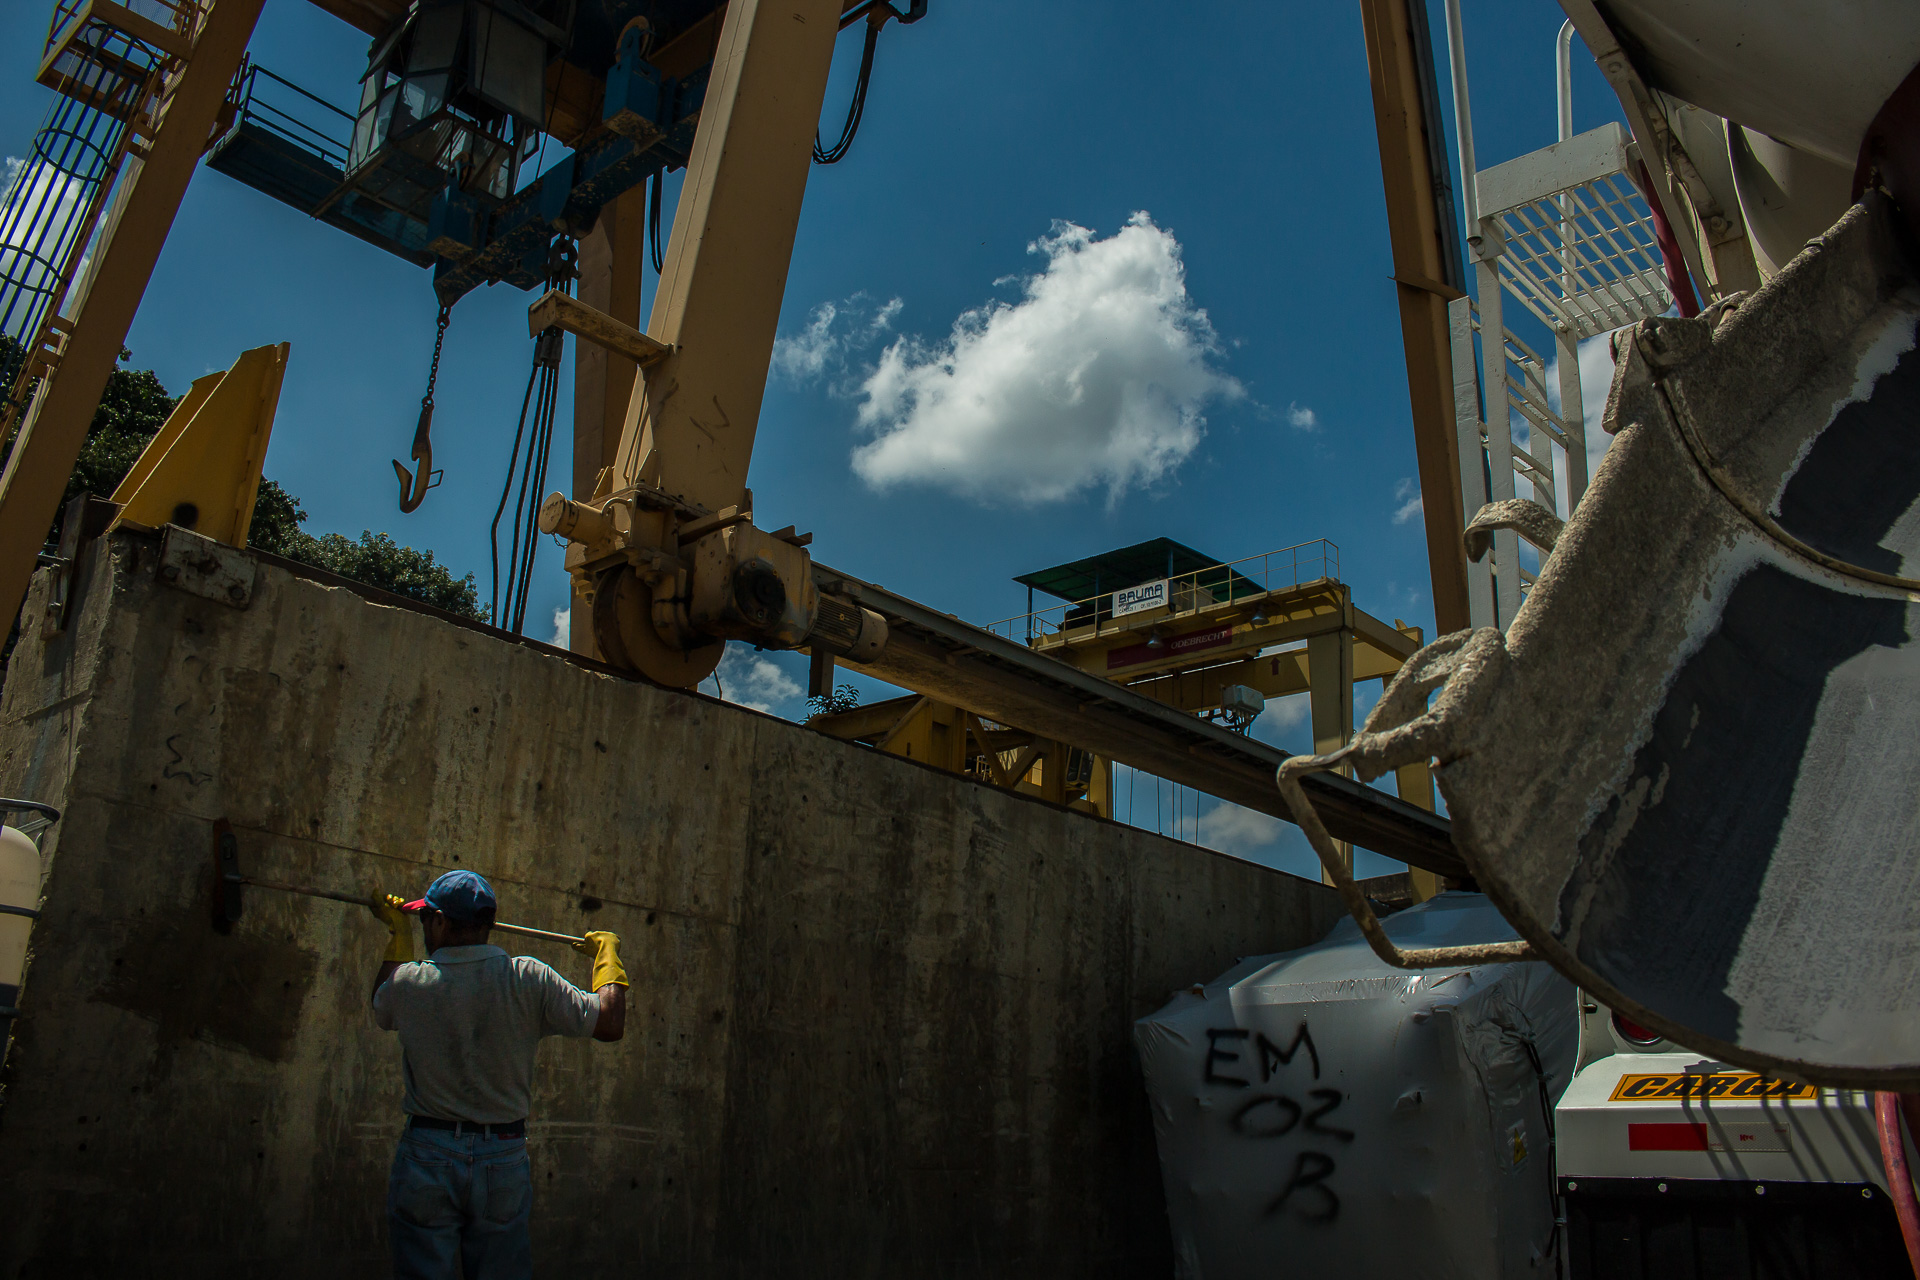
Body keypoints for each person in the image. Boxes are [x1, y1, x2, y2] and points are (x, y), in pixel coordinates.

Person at [368, 869, 627, 1279]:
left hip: (427, 1155)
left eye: (422, 921)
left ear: (438, 921)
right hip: (501, 1157)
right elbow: (610, 1024)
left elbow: (381, 1005)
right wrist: (608, 957)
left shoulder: (410, 982)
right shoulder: (529, 979)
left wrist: (396, 937)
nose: (422, 929)